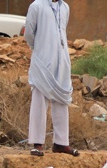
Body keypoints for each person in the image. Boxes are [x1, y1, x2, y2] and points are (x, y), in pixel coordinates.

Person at [24, 0, 79, 157]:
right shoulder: (37, 6)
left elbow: (61, 31)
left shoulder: (65, 7)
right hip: (42, 61)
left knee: (61, 100)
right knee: (39, 100)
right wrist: (41, 48)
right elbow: (29, 33)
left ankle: (61, 143)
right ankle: (37, 144)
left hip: (62, 60)